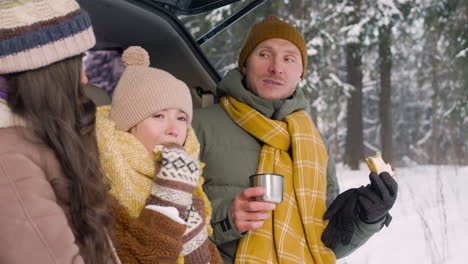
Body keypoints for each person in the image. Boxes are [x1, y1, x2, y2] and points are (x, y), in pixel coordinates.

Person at [192, 16, 398, 264]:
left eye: (289, 58)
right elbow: (158, 219)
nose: (276, 68)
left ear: (300, 74)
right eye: (265, 55)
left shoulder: (314, 141)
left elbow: (324, 243)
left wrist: (367, 217)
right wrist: (225, 219)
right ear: (245, 64)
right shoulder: (197, 126)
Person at [0, 1, 120, 263]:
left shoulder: (36, 136)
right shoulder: (7, 158)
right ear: (44, 74)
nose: (84, 79)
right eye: (75, 65)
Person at [95, 46, 222, 263]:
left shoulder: (188, 178)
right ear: (129, 124)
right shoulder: (101, 182)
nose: (173, 129)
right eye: (158, 115)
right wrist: (170, 198)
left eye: (181, 118)